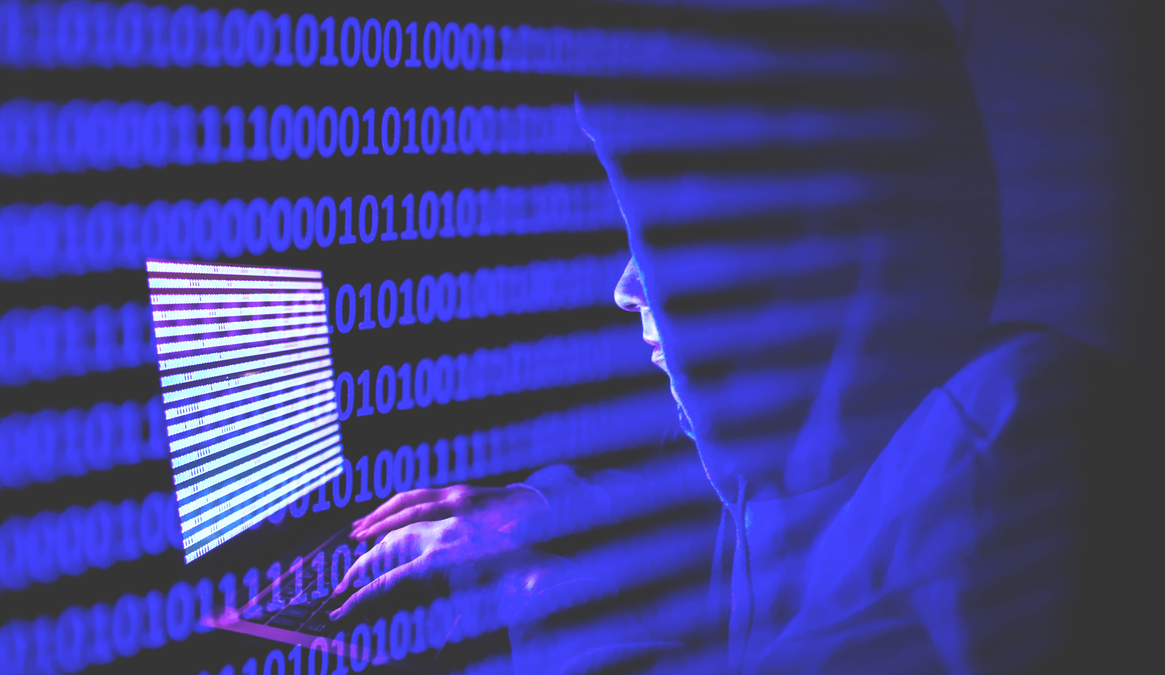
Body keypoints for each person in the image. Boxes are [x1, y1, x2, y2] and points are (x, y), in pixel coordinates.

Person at [329, 1, 1142, 672]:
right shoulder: (829, 444)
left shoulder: (1019, 440)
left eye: (660, 231)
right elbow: (719, 503)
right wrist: (533, 511)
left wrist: (527, 588)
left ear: (796, 231)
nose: (625, 288)